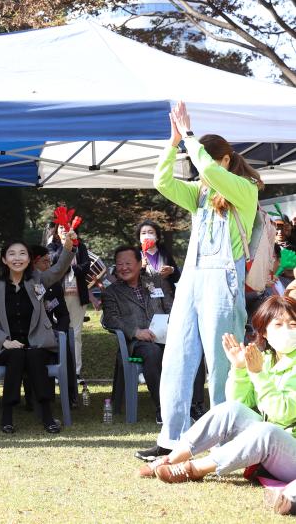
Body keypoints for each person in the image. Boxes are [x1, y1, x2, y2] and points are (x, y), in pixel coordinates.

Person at [143, 100, 263, 459]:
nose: (197, 170)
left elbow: (208, 170)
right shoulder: (200, 194)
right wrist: (172, 141)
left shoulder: (244, 189)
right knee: (176, 356)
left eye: (203, 161)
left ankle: (226, 439)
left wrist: (191, 139)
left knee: (221, 361)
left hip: (223, 284)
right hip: (192, 282)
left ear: (224, 160)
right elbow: (161, 181)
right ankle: (171, 435)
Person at [137, 296, 296, 487]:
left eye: (293, 324)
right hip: (273, 447)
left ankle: (194, 469)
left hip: (289, 450)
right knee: (230, 409)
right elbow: (240, 403)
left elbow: (284, 414)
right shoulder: (266, 360)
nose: (287, 331)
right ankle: (172, 459)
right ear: (264, 332)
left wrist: (258, 374)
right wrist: (240, 369)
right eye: (278, 324)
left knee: (266, 431)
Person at [0, 230, 77, 434]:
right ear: (4, 259)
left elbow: (59, 269)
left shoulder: (38, 281)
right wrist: (5, 341)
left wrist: (68, 247)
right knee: (16, 355)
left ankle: (47, 415)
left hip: (37, 344)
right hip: (8, 348)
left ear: (29, 259)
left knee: (33, 355)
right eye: (12, 254)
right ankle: (7, 415)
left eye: (22, 253)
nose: (18, 258)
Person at [101, 246, 175, 425]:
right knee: (152, 352)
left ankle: (193, 405)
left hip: (167, 339)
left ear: (140, 263)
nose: (123, 268)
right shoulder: (112, 292)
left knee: (191, 348)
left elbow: (172, 308)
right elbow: (110, 319)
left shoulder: (156, 282)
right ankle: (162, 408)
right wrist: (135, 332)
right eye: (119, 264)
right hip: (136, 346)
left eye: (128, 263)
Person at [29, 245, 78, 406]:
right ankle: (36, 397)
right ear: (33, 263)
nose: (48, 266)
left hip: (52, 331)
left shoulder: (55, 285)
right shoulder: (26, 284)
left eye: (50, 262)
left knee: (64, 347)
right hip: (31, 333)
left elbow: (63, 315)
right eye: (44, 262)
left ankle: (71, 395)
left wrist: (60, 332)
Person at [47, 222, 91, 381]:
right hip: (57, 295)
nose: (64, 230)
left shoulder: (81, 246)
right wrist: (66, 248)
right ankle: (59, 368)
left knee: (76, 333)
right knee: (59, 332)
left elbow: (86, 266)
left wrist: (72, 269)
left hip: (78, 296)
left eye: (67, 227)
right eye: (61, 228)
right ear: (56, 231)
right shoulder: (52, 246)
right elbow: (52, 262)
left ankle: (75, 371)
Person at [136, 219, 181, 289]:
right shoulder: (135, 255)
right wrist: (140, 267)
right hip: (145, 297)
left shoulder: (165, 254)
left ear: (157, 237)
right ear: (139, 237)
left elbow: (177, 278)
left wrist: (172, 270)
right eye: (143, 233)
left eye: (150, 232)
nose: (147, 235)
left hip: (167, 296)